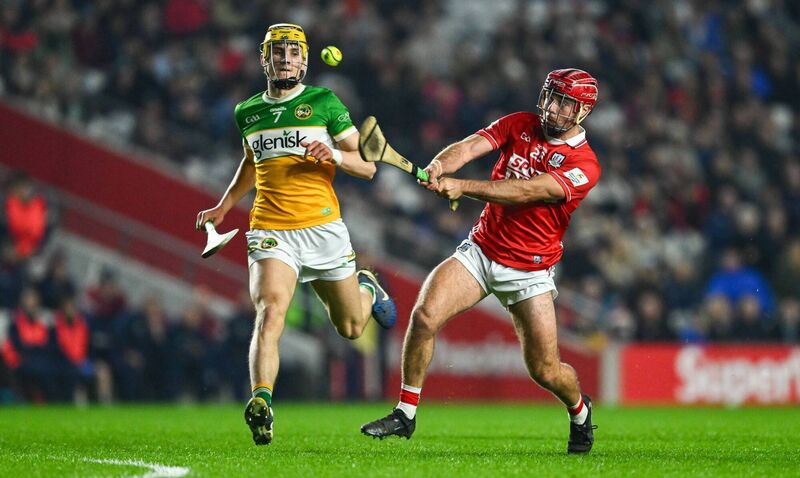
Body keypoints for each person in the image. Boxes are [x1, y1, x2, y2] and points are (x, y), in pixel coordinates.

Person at [361, 69, 601, 453]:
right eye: (551, 97)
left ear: (582, 111)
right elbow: (470, 146)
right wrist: (441, 166)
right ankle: (405, 414)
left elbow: (526, 191)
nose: (553, 108)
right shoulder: (519, 123)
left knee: (545, 370)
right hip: (482, 250)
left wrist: (464, 187)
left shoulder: (584, 164)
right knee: (424, 316)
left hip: (530, 270)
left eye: (564, 102)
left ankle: (579, 411)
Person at [195, 23, 397, 446]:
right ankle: (262, 402)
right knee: (270, 311)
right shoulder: (246, 111)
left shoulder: (324, 102)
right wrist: (223, 205)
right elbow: (251, 163)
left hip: (324, 229)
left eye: (292, 52)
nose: (285, 59)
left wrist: (336, 155)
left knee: (352, 328)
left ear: (304, 60)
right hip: (270, 229)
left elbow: (368, 166)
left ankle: (366, 288)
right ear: (263, 59)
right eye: (278, 52)